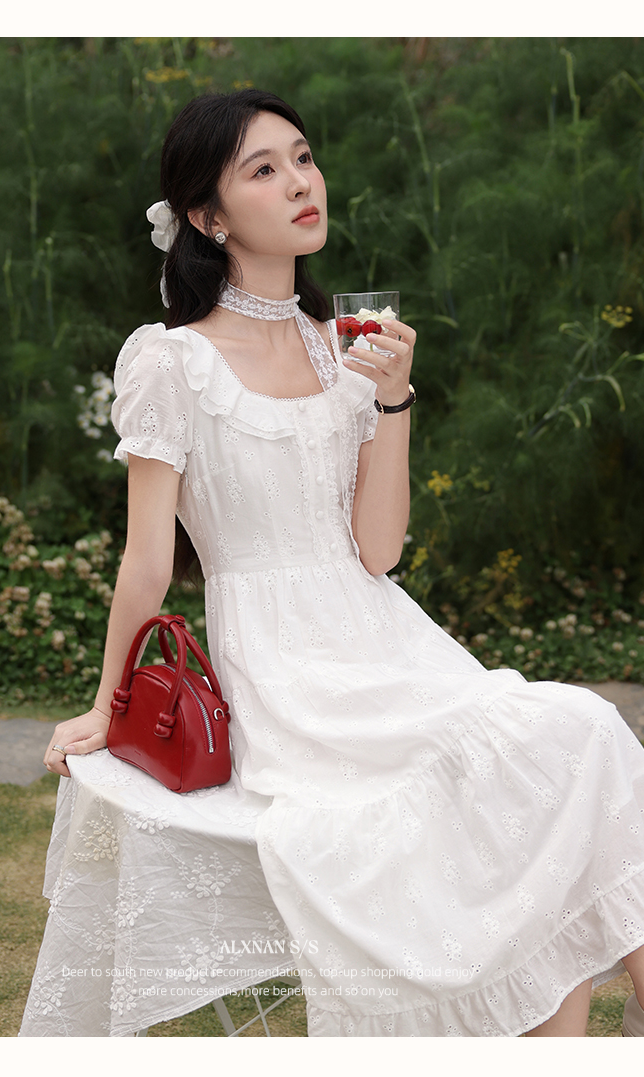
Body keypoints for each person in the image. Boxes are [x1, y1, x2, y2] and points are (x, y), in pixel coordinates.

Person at [40, 88, 644, 1037]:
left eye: (304, 157)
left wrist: (393, 400)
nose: (300, 182)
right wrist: (104, 702)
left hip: (384, 637)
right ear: (207, 217)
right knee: (561, 748)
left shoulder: (344, 349)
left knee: (580, 735)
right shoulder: (169, 361)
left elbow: (378, 550)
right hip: (289, 672)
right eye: (264, 169)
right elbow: (147, 562)